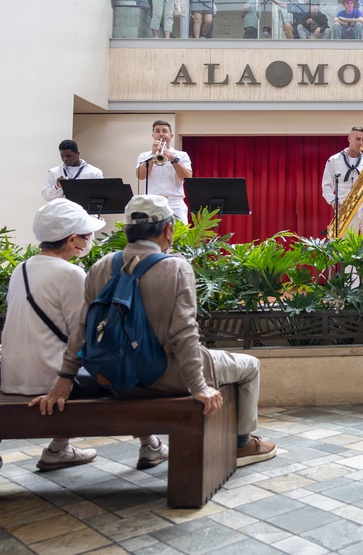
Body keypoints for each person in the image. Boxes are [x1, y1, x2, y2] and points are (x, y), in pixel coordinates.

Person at [30, 195, 277, 468]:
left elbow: (82, 329)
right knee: (250, 365)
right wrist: (198, 387)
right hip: (162, 377)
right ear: (168, 230)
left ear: (127, 231)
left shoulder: (101, 267)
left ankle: (156, 445)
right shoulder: (174, 267)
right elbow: (184, 334)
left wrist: (65, 378)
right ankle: (243, 445)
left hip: (112, 377)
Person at [0, 199, 147, 472]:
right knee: (125, 374)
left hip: (13, 375)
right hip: (50, 380)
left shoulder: (21, 270)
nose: (90, 239)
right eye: (87, 235)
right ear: (72, 239)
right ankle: (150, 444)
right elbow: (83, 336)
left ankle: (59, 449)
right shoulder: (71, 273)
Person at [322, 126, 363, 237]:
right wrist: (334, 201)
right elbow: (326, 187)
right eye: (358, 139)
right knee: (347, 247)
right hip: (345, 208)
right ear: (349, 139)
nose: (361, 143)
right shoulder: (333, 160)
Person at [136, 120, 192, 221]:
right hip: (152, 202)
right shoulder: (144, 156)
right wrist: (153, 156)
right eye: (157, 131)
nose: (161, 134)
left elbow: (187, 178)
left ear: (171, 135)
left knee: (181, 235)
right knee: (152, 235)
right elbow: (140, 176)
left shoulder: (182, 155)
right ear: (153, 135)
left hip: (175, 203)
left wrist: (173, 159)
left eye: (164, 131)